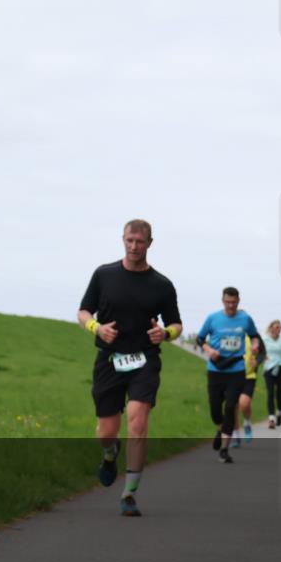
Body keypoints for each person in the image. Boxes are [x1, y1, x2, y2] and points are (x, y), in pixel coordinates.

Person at [78, 219, 183, 517]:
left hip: (145, 361)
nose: (134, 246)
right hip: (110, 360)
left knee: (137, 423)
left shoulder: (162, 285)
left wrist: (166, 334)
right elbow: (83, 311)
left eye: (140, 241)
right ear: (122, 240)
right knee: (105, 432)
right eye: (129, 240)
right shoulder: (104, 274)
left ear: (150, 243)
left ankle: (129, 494)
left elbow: (176, 323)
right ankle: (110, 454)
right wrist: (97, 328)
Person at [196, 287, 260, 464]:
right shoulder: (213, 318)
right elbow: (199, 339)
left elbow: (255, 336)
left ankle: (224, 450)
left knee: (230, 407)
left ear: (238, 301)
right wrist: (209, 350)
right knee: (215, 410)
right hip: (216, 369)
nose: (230, 305)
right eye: (227, 302)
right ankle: (221, 428)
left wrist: (255, 346)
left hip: (236, 370)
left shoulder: (245, 319)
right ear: (222, 301)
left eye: (233, 302)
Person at [232, 333, 264, 447]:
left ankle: (247, 422)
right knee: (232, 407)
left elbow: (262, 353)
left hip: (249, 376)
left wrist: (257, 361)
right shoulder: (227, 333)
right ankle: (236, 436)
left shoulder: (253, 335)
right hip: (231, 376)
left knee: (244, 403)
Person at [262, 320, 281, 429]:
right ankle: (271, 418)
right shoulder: (265, 340)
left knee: (279, 393)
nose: (278, 329)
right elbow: (259, 350)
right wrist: (263, 356)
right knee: (270, 393)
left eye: (279, 328)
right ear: (271, 328)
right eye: (276, 327)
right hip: (269, 369)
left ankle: (279, 412)